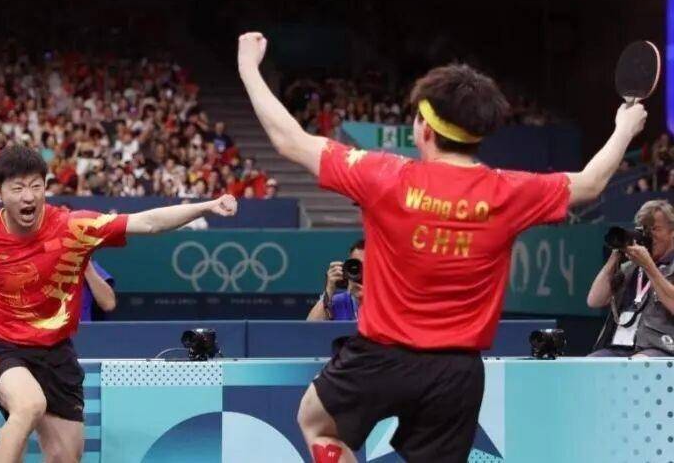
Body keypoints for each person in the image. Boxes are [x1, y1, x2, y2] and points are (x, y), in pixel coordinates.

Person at [237, 31, 646, 463]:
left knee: (316, 421)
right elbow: (591, 183)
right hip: (456, 373)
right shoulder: (509, 191)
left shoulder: (384, 176)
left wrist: (248, 66)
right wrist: (623, 128)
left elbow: (289, 140)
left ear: (424, 128)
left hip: (380, 357)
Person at [0, 147, 237, 463]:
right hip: (3, 345)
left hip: (56, 352)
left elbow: (149, 223)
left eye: (36, 186)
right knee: (28, 406)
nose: (28, 196)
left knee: (66, 457)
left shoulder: (74, 227)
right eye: (17, 188)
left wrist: (208, 206)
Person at [587, 199, 674, 357]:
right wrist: (615, 257)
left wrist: (649, 267)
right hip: (618, 347)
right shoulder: (630, 268)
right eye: (644, 229)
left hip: (659, 347)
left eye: (655, 229)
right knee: (588, 364)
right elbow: (594, 300)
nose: (648, 236)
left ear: (672, 232)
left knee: (636, 365)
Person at [307, 240, 365, 321]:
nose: (361, 272)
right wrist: (329, 290)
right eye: (356, 265)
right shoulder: (336, 302)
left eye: (367, 266)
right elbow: (310, 327)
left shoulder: (383, 302)